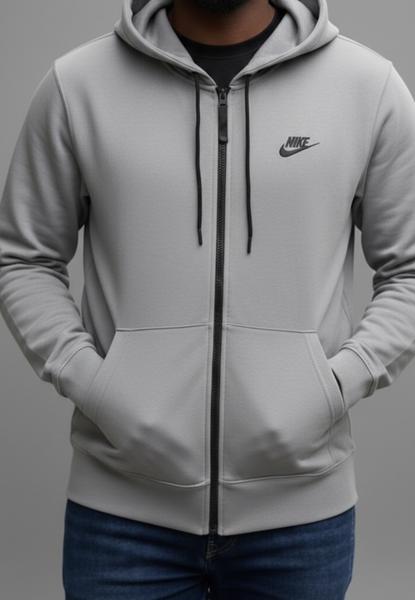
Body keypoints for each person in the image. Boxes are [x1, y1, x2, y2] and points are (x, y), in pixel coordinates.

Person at [0, 0, 414, 597]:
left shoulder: (367, 87)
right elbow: (24, 258)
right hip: (120, 519)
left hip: (301, 522)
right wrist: (94, 383)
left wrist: (335, 385)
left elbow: (409, 271)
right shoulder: (78, 84)